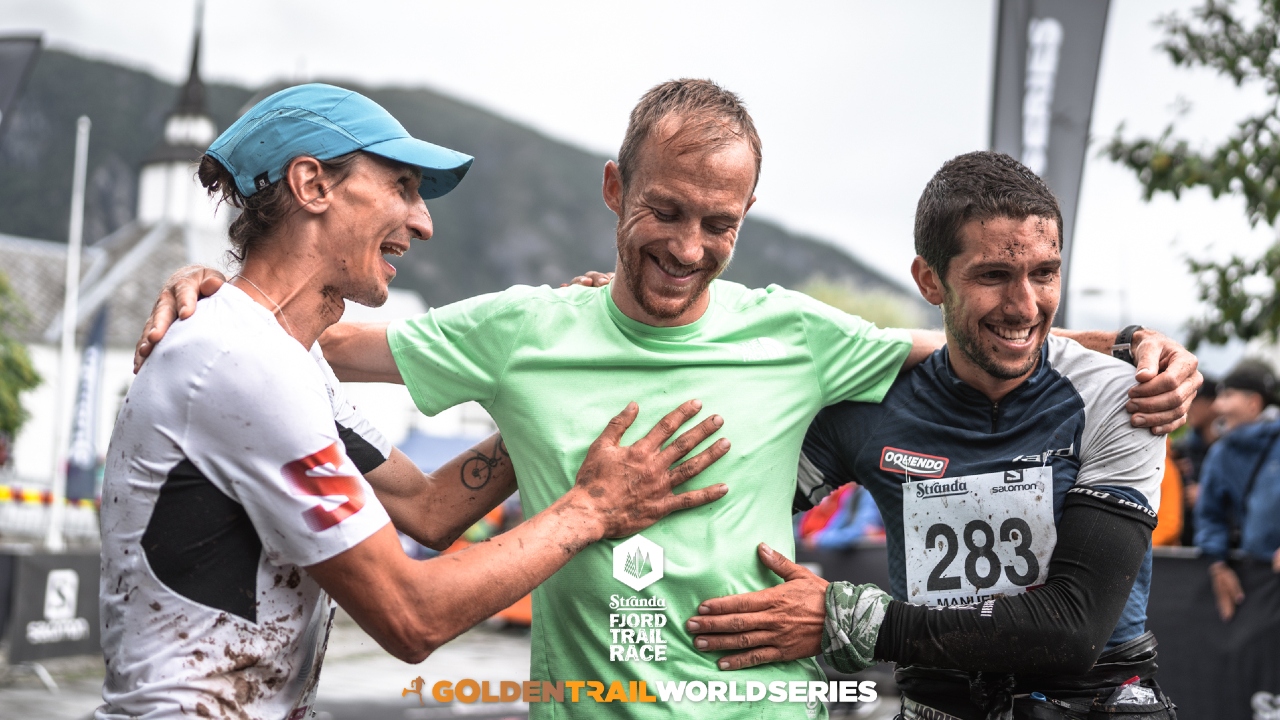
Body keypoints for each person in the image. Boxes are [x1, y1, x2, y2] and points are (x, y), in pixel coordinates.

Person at [139, 82, 1200, 719]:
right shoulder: (521, 330)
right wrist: (215, 292)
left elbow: (980, 331)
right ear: (612, 190)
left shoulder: (795, 332)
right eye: (663, 211)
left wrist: (1144, 352)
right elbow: (320, 329)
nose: (688, 248)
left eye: (718, 223)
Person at [97, 84, 733, 720]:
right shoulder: (241, 362)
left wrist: (559, 389)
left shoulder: (289, 356)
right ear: (312, 184)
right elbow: (410, 616)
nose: (424, 222)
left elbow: (430, 509)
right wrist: (592, 507)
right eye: (401, 186)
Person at [686, 151, 1182, 719]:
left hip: (1088, 702)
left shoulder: (1123, 395)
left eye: (1044, 273)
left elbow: (1071, 630)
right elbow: (720, 505)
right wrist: (631, 324)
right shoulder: (873, 403)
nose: (1025, 306)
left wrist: (850, 619)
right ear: (930, 280)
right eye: (994, 275)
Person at [1195, 360, 1280, 622]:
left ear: (1254, 403)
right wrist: (1217, 565)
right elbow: (1209, 514)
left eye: (1228, 395)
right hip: (1256, 582)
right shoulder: (1220, 453)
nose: (1218, 405)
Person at [1170, 378, 1217, 545]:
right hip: (1184, 539)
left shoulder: (1228, 446)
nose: (1191, 406)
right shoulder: (1180, 448)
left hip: (1216, 543)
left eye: (1197, 400)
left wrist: (1206, 496)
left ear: (1214, 404)